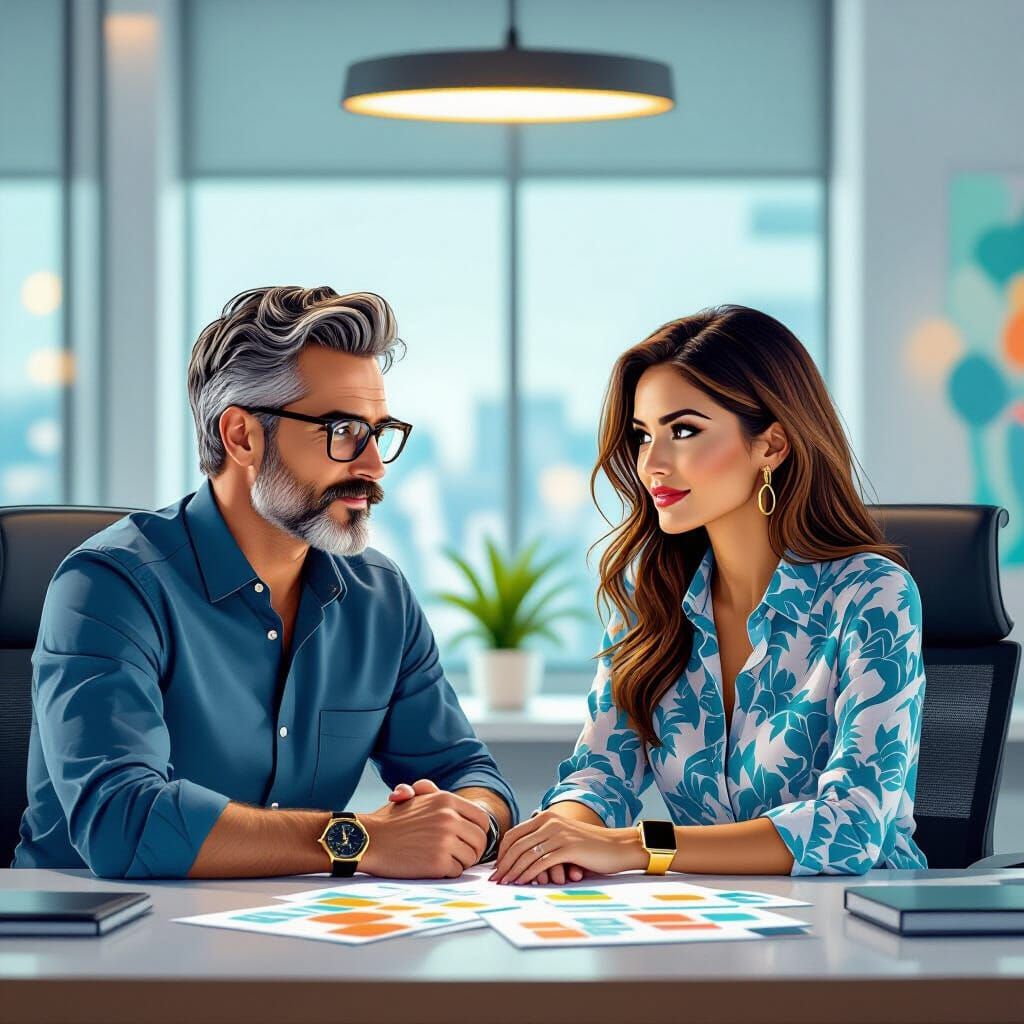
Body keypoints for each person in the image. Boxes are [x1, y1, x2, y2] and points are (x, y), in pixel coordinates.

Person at [13, 285, 518, 879]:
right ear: (242, 436)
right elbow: (123, 821)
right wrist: (357, 839)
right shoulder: (107, 587)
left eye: (379, 432)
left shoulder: (380, 596)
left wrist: (467, 822)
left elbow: (469, 772)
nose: (374, 465)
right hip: (94, 944)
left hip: (294, 935)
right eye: (343, 430)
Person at [489, 305, 927, 884]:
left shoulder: (871, 595)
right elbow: (599, 776)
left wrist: (635, 847)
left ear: (771, 445)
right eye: (643, 435)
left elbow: (849, 826)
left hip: (858, 927)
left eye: (685, 431)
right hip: (706, 926)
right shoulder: (650, 598)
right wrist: (562, 834)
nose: (652, 463)